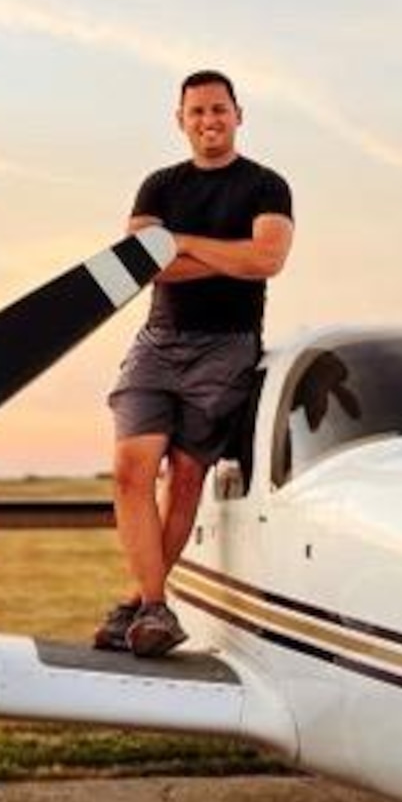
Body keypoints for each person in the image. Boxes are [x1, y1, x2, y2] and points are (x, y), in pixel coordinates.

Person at [96, 70, 294, 657]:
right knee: (132, 469)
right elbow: (142, 267)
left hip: (227, 345)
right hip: (159, 341)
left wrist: (181, 243)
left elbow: (267, 259)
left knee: (185, 477)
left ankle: (136, 606)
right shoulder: (158, 186)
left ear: (238, 114)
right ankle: (155, 606)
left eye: (219, 110)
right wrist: (220, 254)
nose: (209, 121)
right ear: (180, 120)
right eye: (197, 112)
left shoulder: (267, 186)